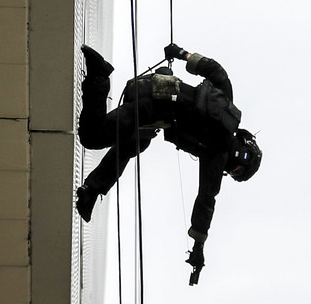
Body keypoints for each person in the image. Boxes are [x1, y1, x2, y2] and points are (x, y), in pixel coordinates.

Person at [76, 42, 262, 284]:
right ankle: (99, 75)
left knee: (136, 143)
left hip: (152, 94)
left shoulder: (226, 105)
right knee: (93, 136)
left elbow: (217, 72)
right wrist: (198, 247)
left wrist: (182, 54)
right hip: (150, 108)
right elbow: (206, 200)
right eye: (236, 170)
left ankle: (91, 190)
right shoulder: (218, 150)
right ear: (241, 157)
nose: (230, 170)